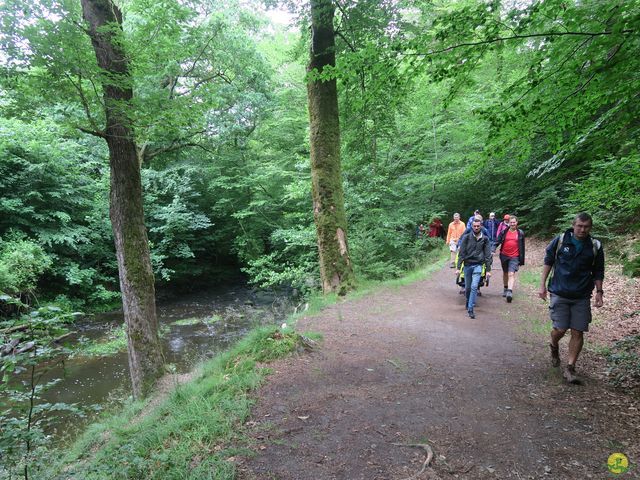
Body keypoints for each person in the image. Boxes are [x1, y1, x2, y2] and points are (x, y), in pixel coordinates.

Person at [538, 213, 604, 384]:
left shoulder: (595, 246)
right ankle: (554, 345)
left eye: (586, 226)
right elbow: (548, 261)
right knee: (560, 329)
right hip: (560, 292)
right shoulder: (561, 240)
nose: (582, 229)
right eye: (580, 226)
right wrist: (542, 285)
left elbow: (598, 270)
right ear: (573, 225)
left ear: (590, 227)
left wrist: (599, 291)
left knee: (577, 331)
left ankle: (570, 367)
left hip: (581, 295)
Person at [456, 219, 492, 319]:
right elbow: (461, 254)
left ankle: (471, 309)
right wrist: (458, 268)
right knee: (467, 288)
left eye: (478, 226)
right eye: (474, 226)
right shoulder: (466, 238)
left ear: (481, 226)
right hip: (467, 265)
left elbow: (488, 255)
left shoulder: (485, 239)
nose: (476, 228)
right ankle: (468, 301)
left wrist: (488, 270)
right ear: (472, 226)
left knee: (474, 286)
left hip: (478, 266)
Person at [494, 215, 525, 303]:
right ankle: (505, 287)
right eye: (511, 222)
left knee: (511, 273)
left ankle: (509, 292)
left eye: (514, 222)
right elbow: (498, 240)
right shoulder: (504, 231)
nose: (512, 224)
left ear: (517, 223)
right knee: (505, 273)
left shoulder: (520, 233)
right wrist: (493, 248)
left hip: (515, 256)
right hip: (504, 255)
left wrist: (521, 259)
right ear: (509, 223)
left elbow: (522, 247)